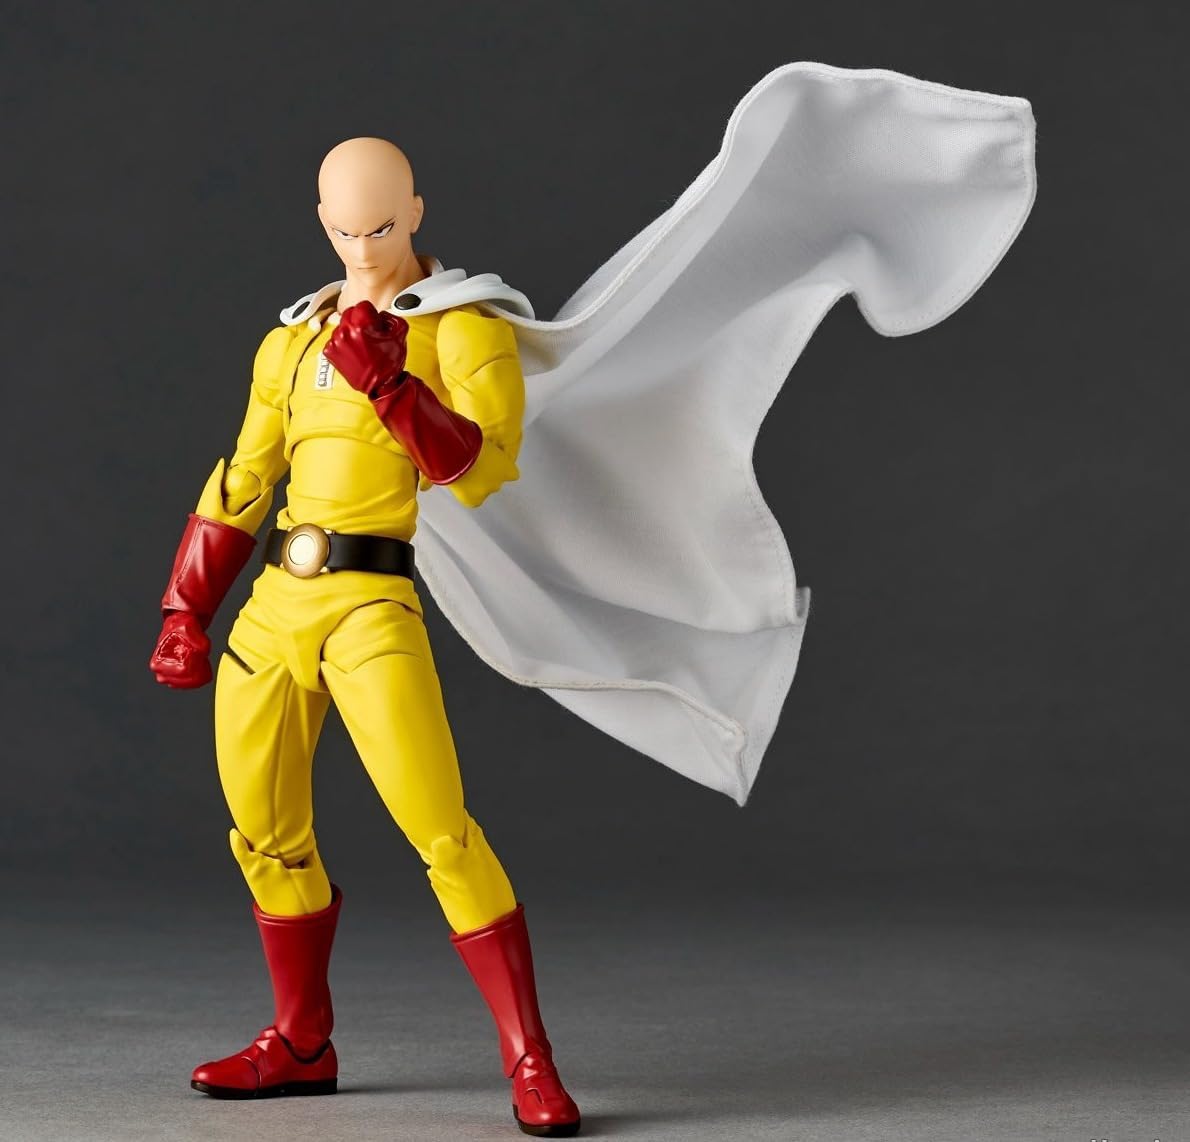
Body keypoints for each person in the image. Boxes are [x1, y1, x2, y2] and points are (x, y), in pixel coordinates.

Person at [149, 137, 581, 1138]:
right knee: (263, 834)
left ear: (416, 212)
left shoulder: (460, 325)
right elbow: (243, 479)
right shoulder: (291, 341)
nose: (361, 248)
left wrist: (394, 387)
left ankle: (530, 1057)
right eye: (343, 230)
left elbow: (481, 467)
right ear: (321, 222)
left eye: (379, 227)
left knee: (442, 831)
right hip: (274, 607)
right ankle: (301, 1042)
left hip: (369, 605)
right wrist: (185, 607)